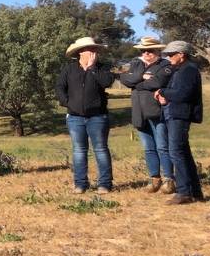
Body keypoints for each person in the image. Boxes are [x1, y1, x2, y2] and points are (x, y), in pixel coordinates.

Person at [56, 37, 116, 194]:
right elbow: (60, 87)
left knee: (101, 149)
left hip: (98, 117)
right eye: (91, 49)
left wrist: (92, 68)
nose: (94, 52)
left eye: (95, 49)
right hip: (75, 117)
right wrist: (67, 102)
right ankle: (80, 184)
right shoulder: (69, 69)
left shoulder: (102, 68)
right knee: (79, 151)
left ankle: (105, 184)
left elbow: (107, 82)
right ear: (81, 52)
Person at [119, 37, 173, 193]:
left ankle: (169, 179)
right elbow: (124, 79)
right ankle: (155, 179)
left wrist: (137, 83)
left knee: (163, 147)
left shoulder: (165, 65)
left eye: (150, 50)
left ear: (158, 51)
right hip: (139, 113)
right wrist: (141, 77)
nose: (146, 53)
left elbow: (157, 82)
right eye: (143, 51)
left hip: (157, 112)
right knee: (149, 148)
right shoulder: (136, 64)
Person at [155, 41, 205, 205]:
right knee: (183, 153)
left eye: (171, 54)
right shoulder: (182, 69)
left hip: (180, 115)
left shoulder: (188, 70)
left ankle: (184, 192)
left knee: (176, 152)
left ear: (181, 54)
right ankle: (195, 192)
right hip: (175, 114)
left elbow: (182, 94)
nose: (168, 57)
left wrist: (163, 91)